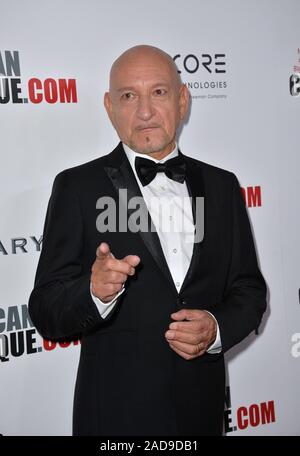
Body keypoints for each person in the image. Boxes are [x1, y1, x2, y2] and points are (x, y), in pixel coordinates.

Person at [28, 45, 267, 436]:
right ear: (109, 106)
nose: (144, 112)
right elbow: (45, 308)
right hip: (115, 419)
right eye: (128, 96)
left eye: (158, 92)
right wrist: (93, 293)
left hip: (201, 415)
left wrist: (215, 327)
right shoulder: (77, 187)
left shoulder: (223, 187)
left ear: (182, 99)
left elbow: (249, 290)